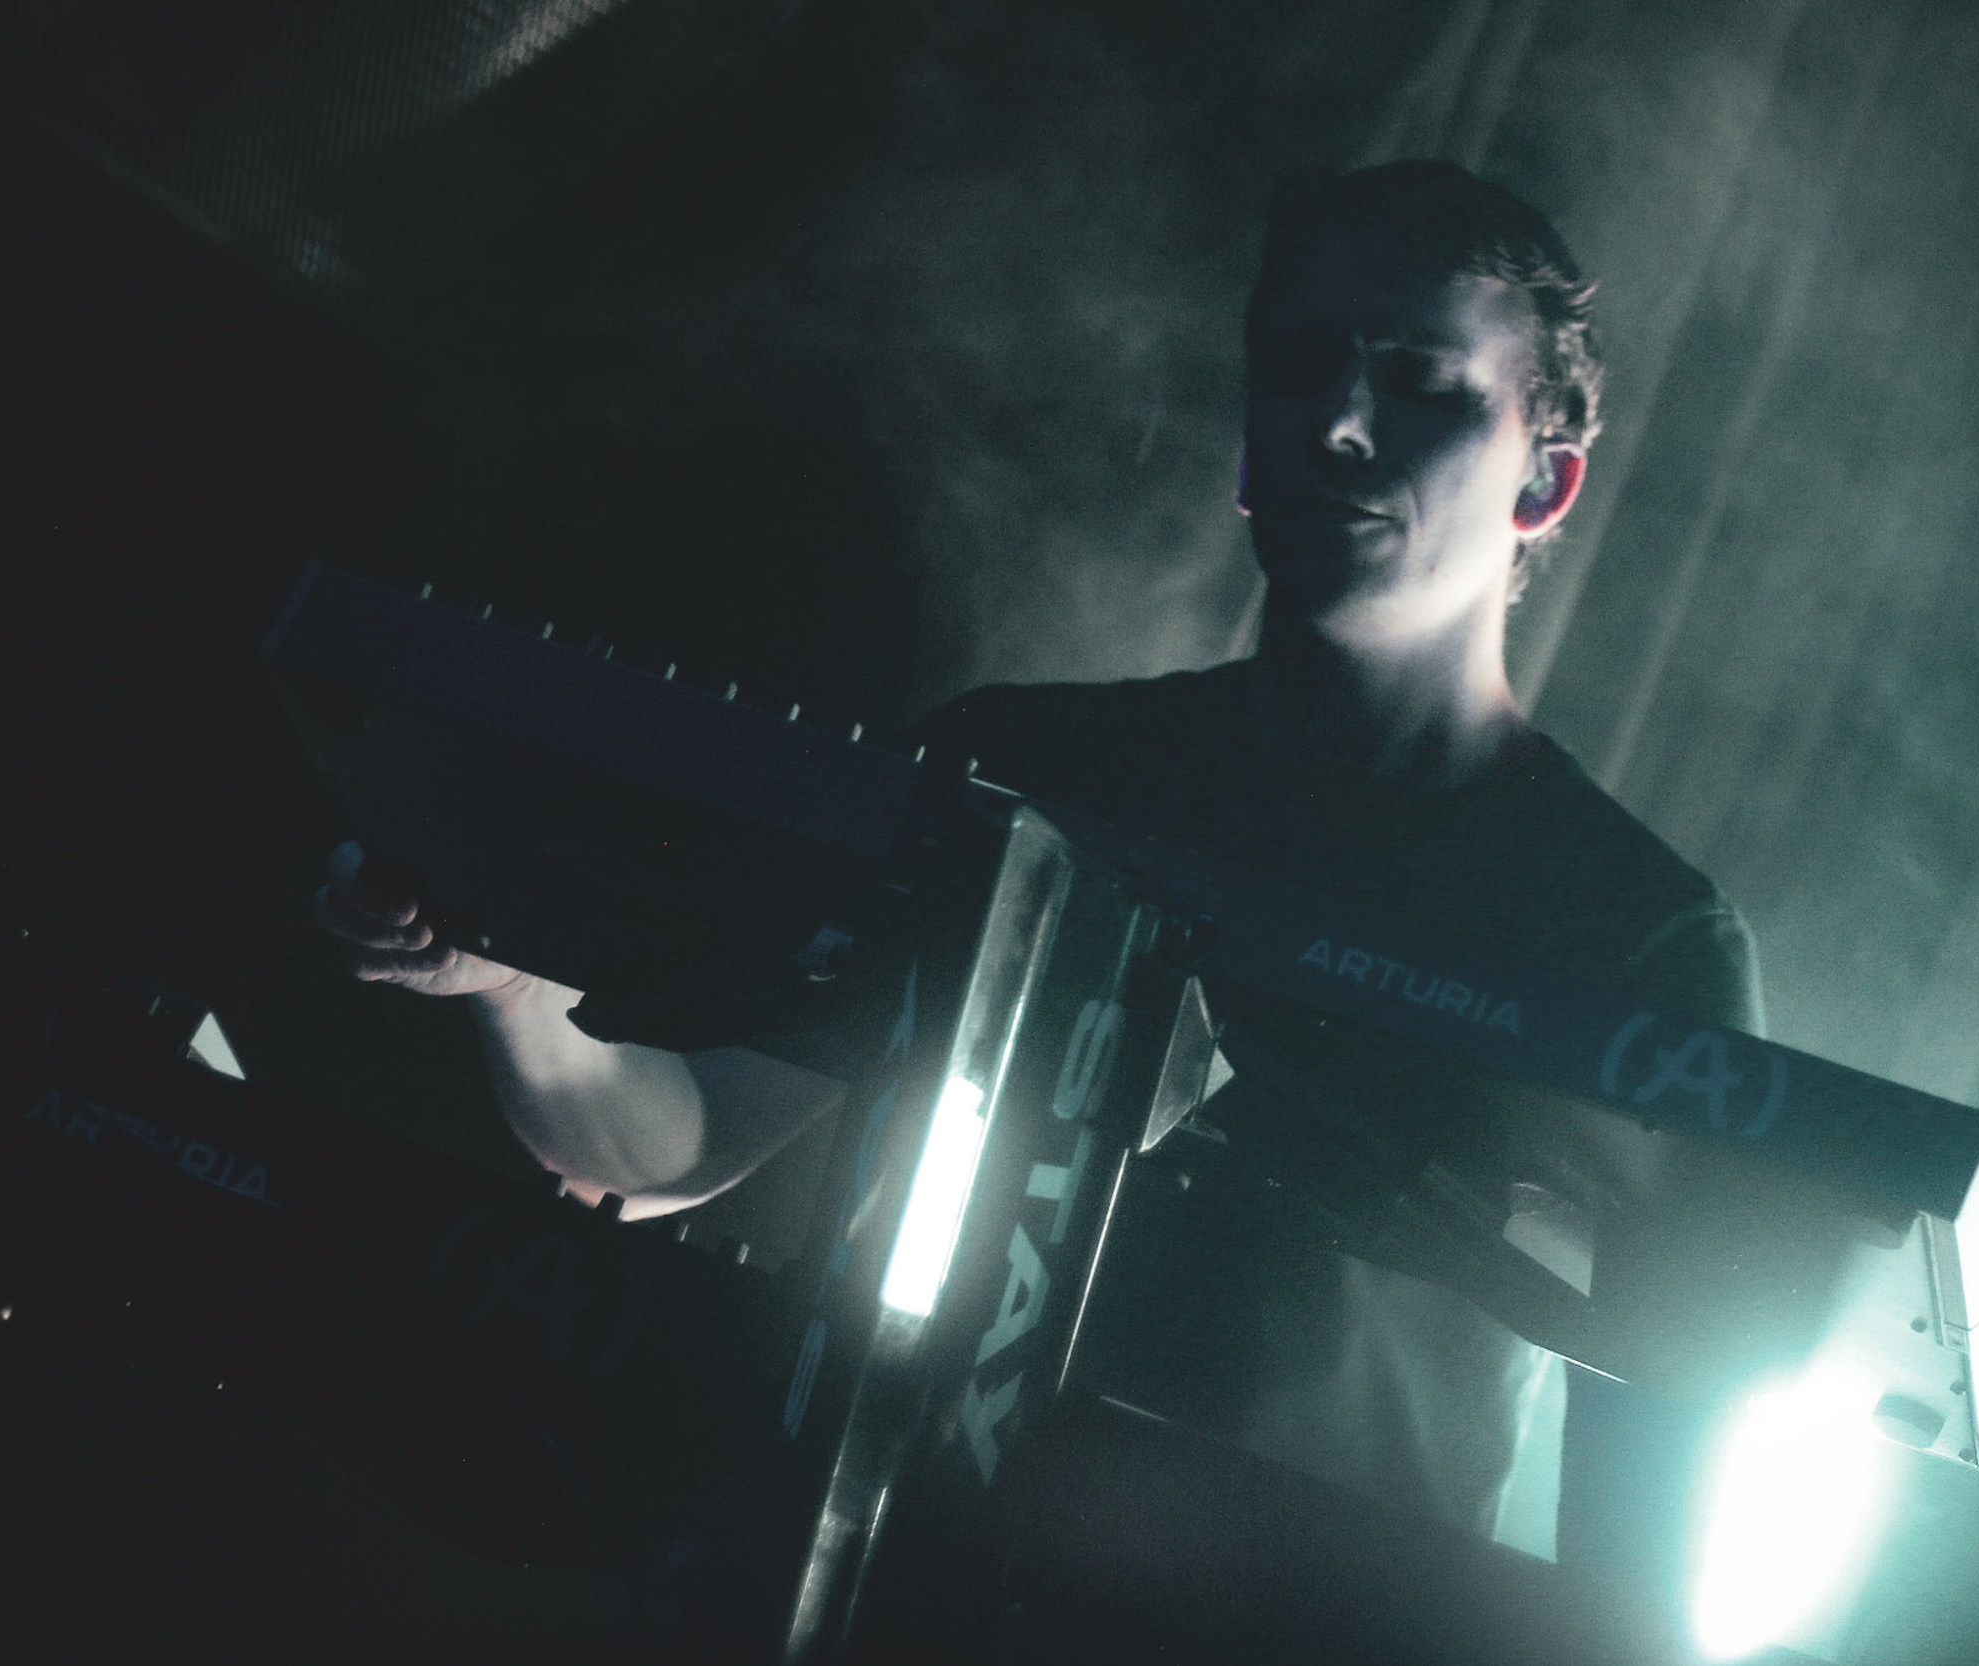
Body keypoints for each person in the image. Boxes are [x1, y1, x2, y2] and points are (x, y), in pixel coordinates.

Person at [314, 160, 1761, 1548]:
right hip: (894, 1572)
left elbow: (1649, 1493)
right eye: (1302, 364)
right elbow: (672, 1149)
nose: (1338, 421)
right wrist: (514, 991)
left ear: (1545, 483)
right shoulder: (1028, 766)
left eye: (1424, 384)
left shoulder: (1633, 932)